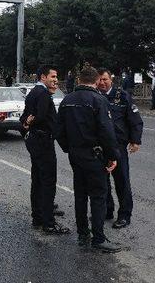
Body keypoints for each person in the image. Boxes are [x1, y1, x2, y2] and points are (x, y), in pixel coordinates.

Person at [55, 66, 122, 253]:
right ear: (95, 81)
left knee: (80, 195)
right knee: (98, 196)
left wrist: (69, 148)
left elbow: (59, 130)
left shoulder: (67, 100)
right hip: (95, 156)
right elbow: (107, 132)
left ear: (79, 80)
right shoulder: (98, 100)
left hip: (76, 155)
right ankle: (98, 238)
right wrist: (112, 157)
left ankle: (83, 234)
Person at [20, 64, 69, 235]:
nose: (56, 80)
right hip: (42, 142)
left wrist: (27, 122)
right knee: (48, 182)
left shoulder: (34, 92)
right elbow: (41, 118)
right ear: (43, 77)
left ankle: (38, 216)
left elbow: (25, 117)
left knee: (38, 180)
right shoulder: (42, 94)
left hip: (36, 141)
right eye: (53, 77)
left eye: (56, 77)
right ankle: (48, 222)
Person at [97, 68, 143, 229]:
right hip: (99, 147)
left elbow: (135, 119)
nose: (102, 82)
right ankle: (106, 211)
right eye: (99, 80)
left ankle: (124, 215)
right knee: (102, 182)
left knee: (122, 181)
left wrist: (135, 140)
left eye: (105, 79)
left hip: (117, 146)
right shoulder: (94, 96)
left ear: (111, 80)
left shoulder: (121, 96)